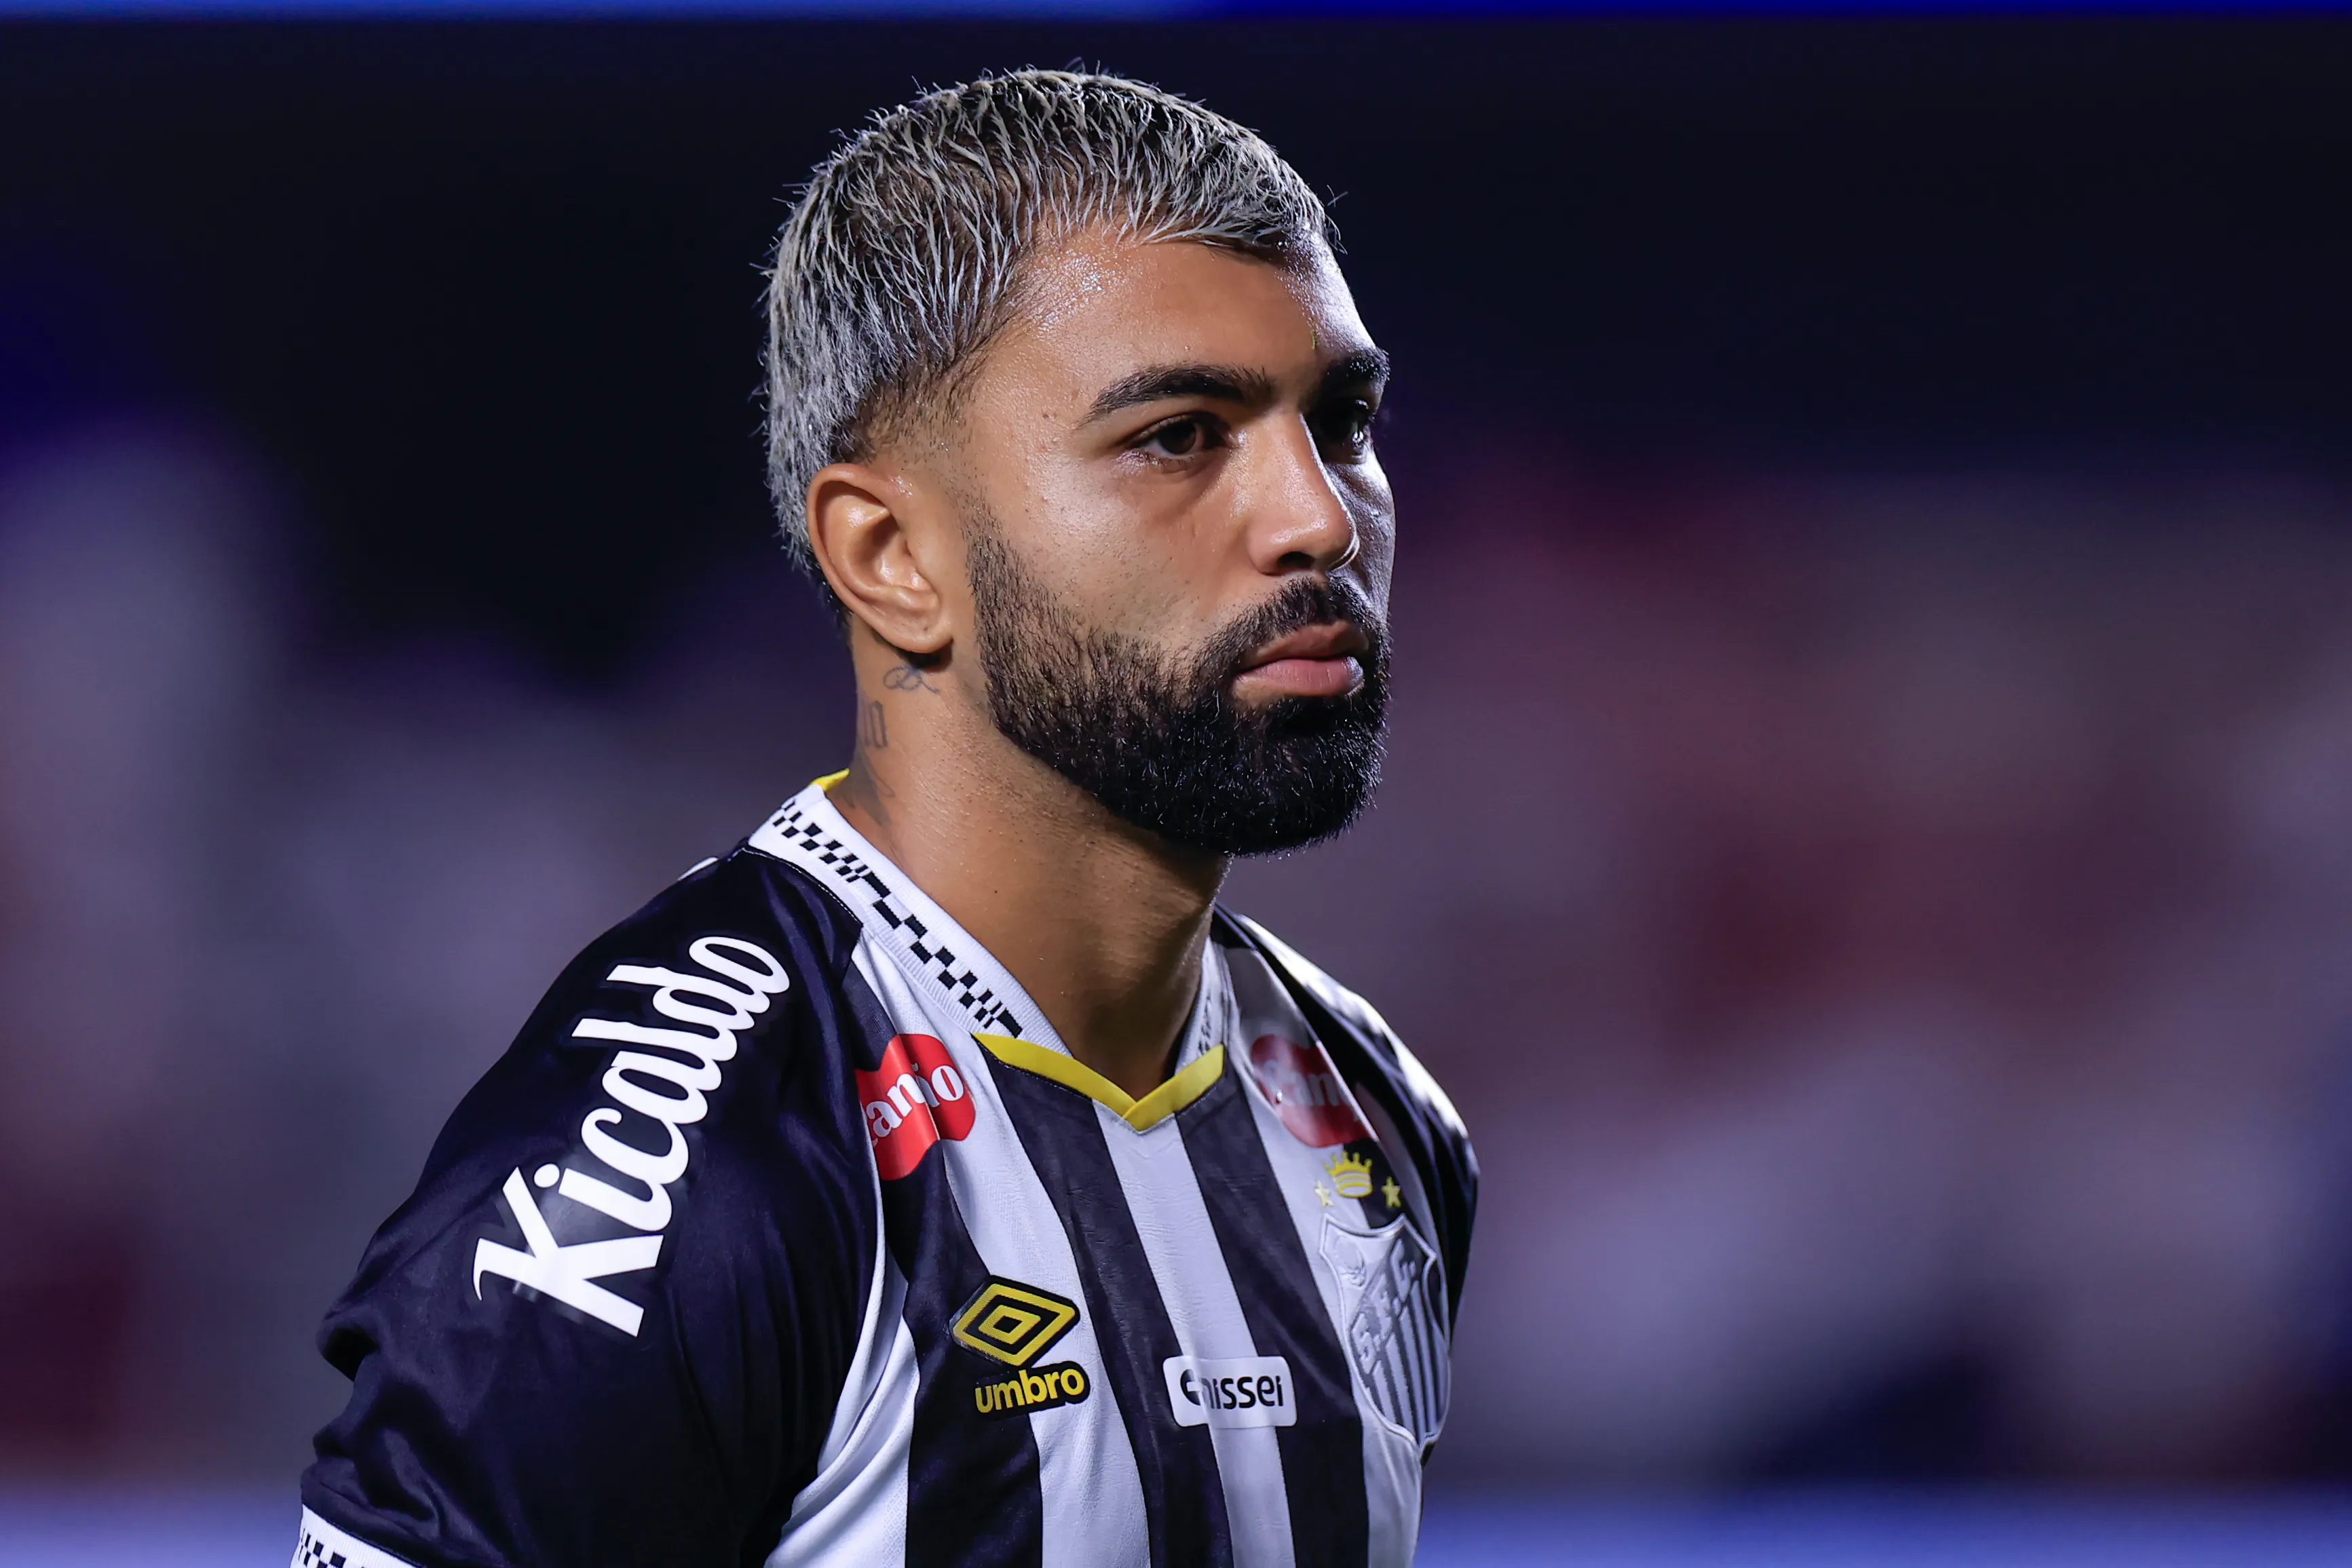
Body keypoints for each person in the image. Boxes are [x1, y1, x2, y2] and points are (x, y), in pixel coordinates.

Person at [293, 69, 1475, 1568]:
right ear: (889, 554)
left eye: (1344, 420)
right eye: (1180, 435)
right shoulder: (685, 1155)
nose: (1316, 515)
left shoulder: (1371, 1114)